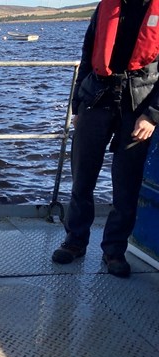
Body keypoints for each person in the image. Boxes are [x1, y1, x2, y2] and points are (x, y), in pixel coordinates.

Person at [52, 0, 159, 277]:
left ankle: (114, 250)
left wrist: (152, 115)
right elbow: (88, 55)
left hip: (138, 106)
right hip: (96, 99)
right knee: (82, 177)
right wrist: (78, 105)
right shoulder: (104, 7)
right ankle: (75, 241)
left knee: (126, 185)